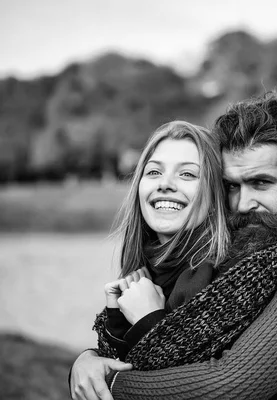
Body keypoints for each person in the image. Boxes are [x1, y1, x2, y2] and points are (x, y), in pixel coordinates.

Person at [70, 90, 277, 400]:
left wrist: (108, 381)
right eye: (232, 186)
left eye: (261, 182)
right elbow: (191, 355)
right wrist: (88, 359)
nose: (243, 202)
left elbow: (225, 388)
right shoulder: (253, 266)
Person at [69, 120, 229, 399]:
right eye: (154, 171)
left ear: (215, 193)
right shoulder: (145, 273)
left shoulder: (228, 278)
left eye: (188, 175)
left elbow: (203, 388)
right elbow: (125, 365)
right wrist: (89, 361)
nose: (165, 184)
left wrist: (149, 319)